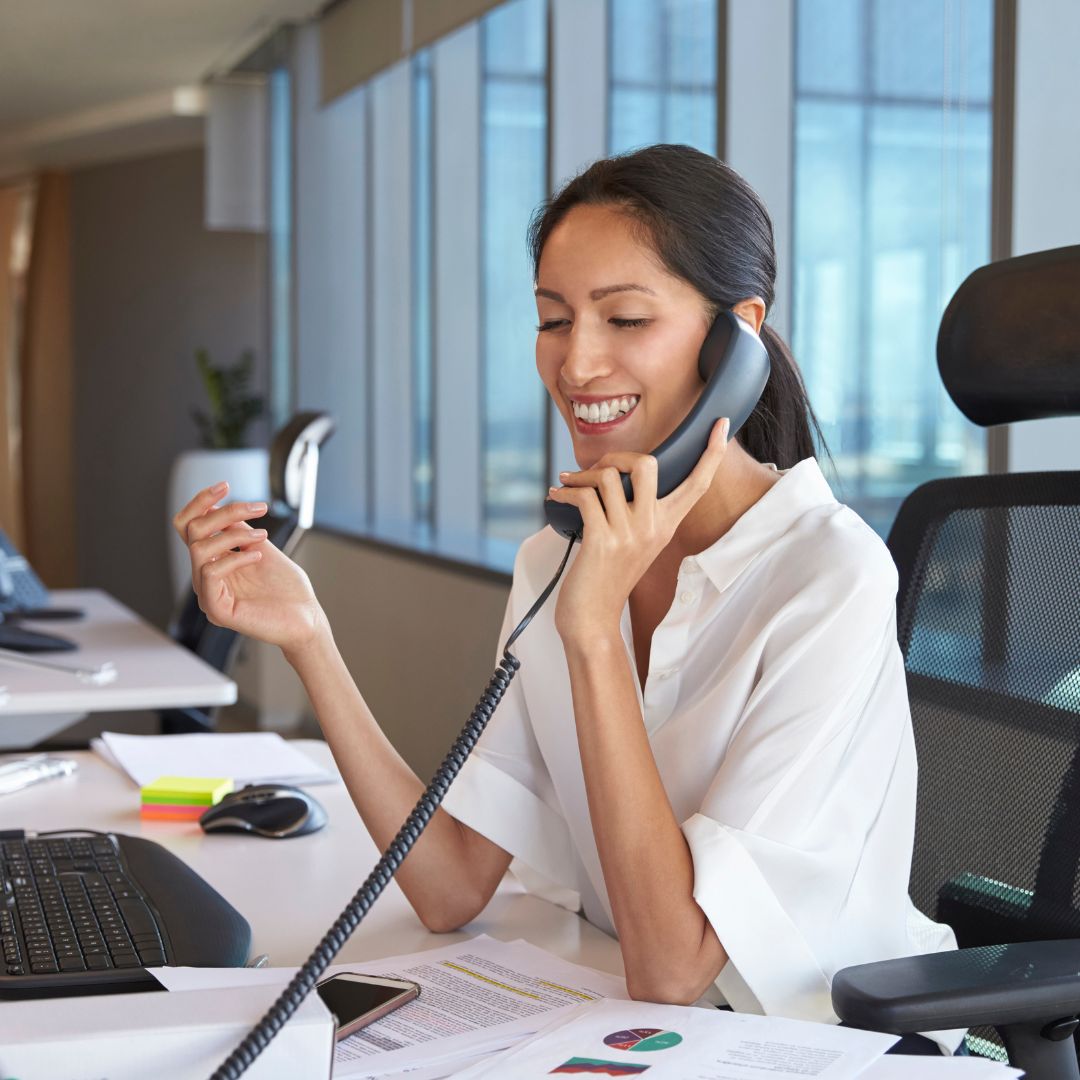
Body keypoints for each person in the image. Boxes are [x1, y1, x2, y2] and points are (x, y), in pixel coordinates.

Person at [173, 145, 959, 1055]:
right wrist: (309, 637)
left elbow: (674, 967)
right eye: (554, 319)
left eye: (625, 318)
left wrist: (592, 633)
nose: (577, 364)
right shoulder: (555, 557)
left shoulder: (828, 575)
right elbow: (450, 885)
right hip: (639, 1027)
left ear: (737, 340)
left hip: (819, 1045)